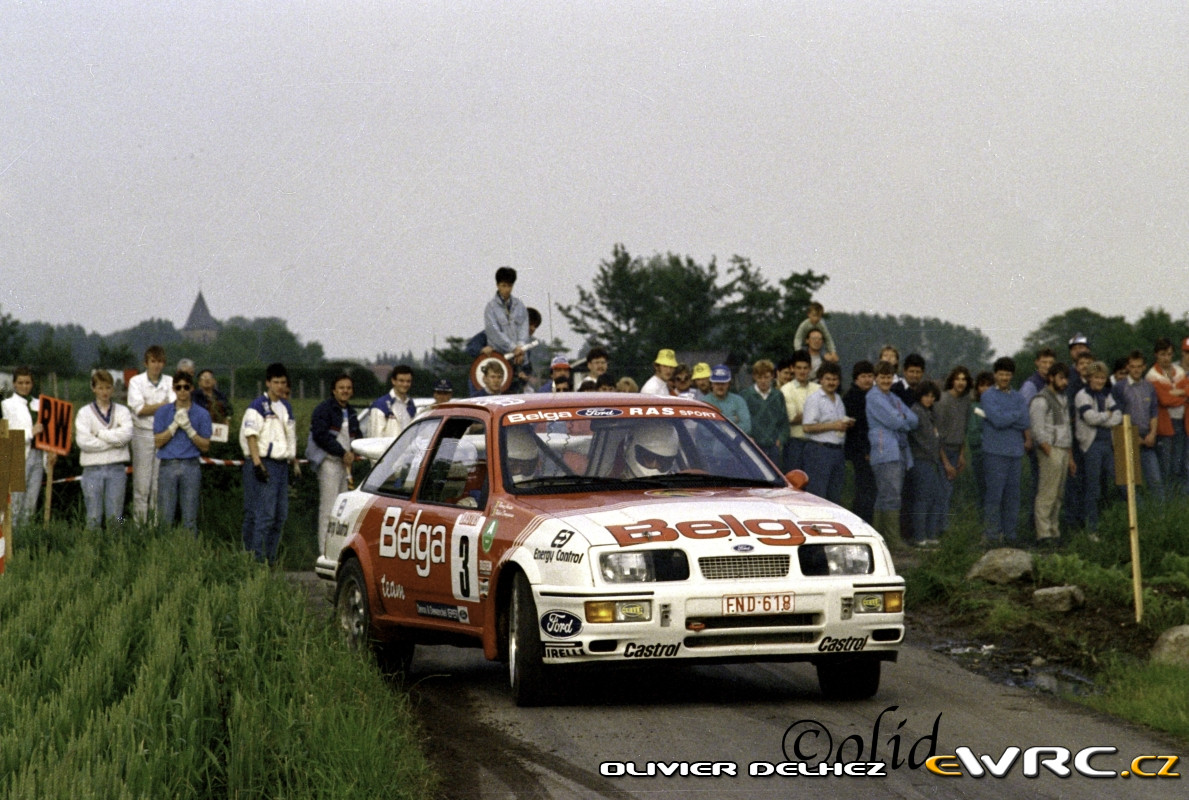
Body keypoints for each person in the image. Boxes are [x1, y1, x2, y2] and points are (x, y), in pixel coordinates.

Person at [240, 362, 297, 563]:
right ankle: (255, 559)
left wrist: (294, 463)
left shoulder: (286, 407)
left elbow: (290, 437)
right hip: (265, 462)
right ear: (268, 383)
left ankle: (270, 559)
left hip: (282, 465)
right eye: (276, 382)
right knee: (263, 515)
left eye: (283, 382)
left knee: (280, 515)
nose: (280, 386)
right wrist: (257, 464)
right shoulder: (257, 407)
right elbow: (251, 436)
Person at [980, 357, 1031, 544]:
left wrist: (1007, 417)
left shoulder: (1019, 397)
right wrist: (1014, 416)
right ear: (995, 375)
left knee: (1013, 497)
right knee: (994, 495)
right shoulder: (988, 396)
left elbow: (1025, 421)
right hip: (994, 452)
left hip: (1015, 453)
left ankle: (1010, 535)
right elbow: (997, 420)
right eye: (1001, 374)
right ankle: (992, 534)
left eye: (1008, 374)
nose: (1004, 377)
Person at [152, 370, 212, 533]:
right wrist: (173, 426)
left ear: (192, 388)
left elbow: (205, 446)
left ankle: (189, 554)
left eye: (186, 387)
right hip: (167, 465)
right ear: (173, 389)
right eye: (178, 387)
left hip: (191, 466)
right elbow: (158, 442)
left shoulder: (202, 414)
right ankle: (162, 555)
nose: (182, 391)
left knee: (190, 519)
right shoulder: (162, 412)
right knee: (165, 518)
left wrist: (189, 429)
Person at [866, 361, 918, 545]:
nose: (886, 380)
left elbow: (914, 419)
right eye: (882, 377)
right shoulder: (873, 397)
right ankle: (893, 539)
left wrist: (901, 418)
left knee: (886, 495)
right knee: (891, 495)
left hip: (899, 452)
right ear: (875, 378)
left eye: (889, 377)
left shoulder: (893, 397)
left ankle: (880, 538)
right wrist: (901, 419)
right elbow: (897, 422)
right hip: (884, 451)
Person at [74, 369, 134, 529]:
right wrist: (115, 441)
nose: (104, 392)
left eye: (108, 387)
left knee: (117, 516)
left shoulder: (123, 411)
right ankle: (91, 552)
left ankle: (117, 549)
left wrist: (100, 434)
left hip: (117, 470)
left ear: (113, 389)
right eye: (100, 388)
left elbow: (127, 435)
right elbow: (84, 442)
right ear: (93, 388)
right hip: (92, 470)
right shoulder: (84, 413)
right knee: (93, 516)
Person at [311, 374, 362, 552]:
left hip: (346, 465)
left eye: (348, 388)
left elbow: (357, 436)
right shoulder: (324, 410)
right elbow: (320, 435)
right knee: (328, 510)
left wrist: (354, 452)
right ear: (334, 390)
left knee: (343, 511)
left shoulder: (352, 412)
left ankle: (338, 551)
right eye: (341, 388)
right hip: (329, 463)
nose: (345, 391)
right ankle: (323, 552)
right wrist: (341, 452)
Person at [126, 345, 175, 524]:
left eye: (160, 361)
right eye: (153, 361)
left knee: (158, 484)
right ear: (146, 363)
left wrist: (154, 408)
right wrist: (162, 405)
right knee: (141, 484)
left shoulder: (170, 381)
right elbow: (139, 409)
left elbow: (174, 408)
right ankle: (139, 527)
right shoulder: (136, 382)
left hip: (163, 434)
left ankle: (155, 527)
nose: (157, 365)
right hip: (142, 434)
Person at [1, 367, 53, 525]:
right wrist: (31, 432)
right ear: (14, 384)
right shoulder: (6, 405)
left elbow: (49, 431)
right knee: (15, 504)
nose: (24, 386)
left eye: (28, 383)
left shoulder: (40, 404)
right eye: (21, 383)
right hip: (18, 455)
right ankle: (11, 545)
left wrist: (51, 452)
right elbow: (7, 433)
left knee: (31, 503)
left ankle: (26, 543)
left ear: (32, 384)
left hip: (38, 455)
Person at [1030, 363, 1075, 545]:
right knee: (1047, 492)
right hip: (1050, 449)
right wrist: (1045, 446)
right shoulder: (1041, 400)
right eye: (1061, 378)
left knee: (1058, 493)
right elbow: (1037, 428)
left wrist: (1070, 455)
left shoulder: (1063, 399)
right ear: (1051, 378)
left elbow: (1066, 427)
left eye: (1066, 378)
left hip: (1063, 448)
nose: (1064, 382)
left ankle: (1054, 531)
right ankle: (1043, 533)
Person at [1074, 361, 1122, 533]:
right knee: (1092, 486)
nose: (1100, 381)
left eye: (1102, 378)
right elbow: (1090, 418)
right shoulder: (1082, 395)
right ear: (1089, 378)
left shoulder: (1106, 394)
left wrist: (1104, 417)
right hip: (1091, 445)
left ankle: (1118, 521)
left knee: (1118, 479)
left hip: (1107, 444)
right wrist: (1106, 416)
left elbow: (1118, 416)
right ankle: (1091, 529)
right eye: (1096, 378)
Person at [1112, 349, 1161, 497]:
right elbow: (1117, 416)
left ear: (1144, 367)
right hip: (1127, 437)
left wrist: (1152, 433)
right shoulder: (1119, 387)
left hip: (1147, 437)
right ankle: (1135, 516)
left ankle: (1160, 516)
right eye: (1133, 366)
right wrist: (1131, 437)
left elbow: (1154, 412)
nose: (1136, 370)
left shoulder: (1149, 387)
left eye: (1139, 366)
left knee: (1155, 480)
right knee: (1128, 483)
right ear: (1128, 367)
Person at [802, 361, 852, 503]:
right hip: (819, 451)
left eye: (834, 379)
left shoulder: (838, 399)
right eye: (828, 379)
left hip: (837, 452)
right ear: (821, 379)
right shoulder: (815, 399)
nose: (831, 382)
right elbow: (807, 427)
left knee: (834, 496)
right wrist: (833, 426)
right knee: (818, 496)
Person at [1147, 337, 1189, 491]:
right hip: (1165, 424)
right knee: (1166, 465)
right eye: (1163, 354)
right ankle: (1166, 503)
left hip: (1182, 422)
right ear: (1156, 355)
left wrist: (1180, 392)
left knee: (1179, 464)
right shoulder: (1152, 376)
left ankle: (1179, 501)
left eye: (1170, 354)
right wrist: (1184, 398)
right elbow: (1164, 400)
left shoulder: (1178, 371)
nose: (1166, 358)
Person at [934, 366, 973, 532]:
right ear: (952, 380)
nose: (961, 382)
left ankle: (944, 527)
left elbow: (963, 429)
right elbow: (937, 435)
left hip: (957, 449)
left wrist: (962, 455)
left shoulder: (966, 401)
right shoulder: (943, 401)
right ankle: (938, 529)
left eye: (964, 379)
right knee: (941, 492)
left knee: (948, 492)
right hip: (942, 450)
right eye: (958, 379)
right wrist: (946, 462)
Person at [907, 381, 945, 545]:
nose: (929, 399)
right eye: (926, 396)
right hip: (921, 459)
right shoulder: (916, 411)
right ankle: (919, 536)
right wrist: (933, 451)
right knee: (922, 498)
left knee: (934, 498)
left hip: (931, 461)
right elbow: (924, 439)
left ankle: (931, 535)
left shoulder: (931, 413)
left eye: (932, 396)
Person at [484, 266, 531, 381]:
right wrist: (512, 347)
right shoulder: (490, 308)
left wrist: (520, 347)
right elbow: (494, 332)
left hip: (519, 359)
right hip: (499, 359)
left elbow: (524, 328)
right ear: (497, 285)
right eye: (503, 285)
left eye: (509, 286)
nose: (507, 289)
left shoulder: (519, 305)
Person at [843, 361, 876, 523]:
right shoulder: (852, 397)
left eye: (870, 376)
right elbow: (857, 430)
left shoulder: (873, 395)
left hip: (873, 450)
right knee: (863, 492)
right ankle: (860, 524)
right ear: (856, 379)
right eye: (863, 376)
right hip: (860, 453)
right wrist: (865, 451)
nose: (867, 380)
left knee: (871, 491)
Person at [741, 359, 787, 466]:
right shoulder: (745, 395)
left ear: (772, 377)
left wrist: (780, 440)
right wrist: (748, 437)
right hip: (753, 445)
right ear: (754, 377)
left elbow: (784, 421)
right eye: (759, 377)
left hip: (773, 446)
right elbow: (742, 420)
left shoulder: (778, 395)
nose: (763, 381)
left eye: (766, 377)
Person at [780, 350, 819, 471]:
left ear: (810, 368)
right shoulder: (785, 390)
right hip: (794, 444)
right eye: (799, 368)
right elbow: (792, 418)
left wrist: (803, 414)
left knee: (814, 484)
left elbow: (826, 415)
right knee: (794, 483)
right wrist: (815, 414)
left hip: (815, 443)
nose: (802, 371)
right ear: (792, 368)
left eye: (805, 368)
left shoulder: (818, 389)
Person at [367, 365, 415, 438]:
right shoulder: (380, 405)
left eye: (408, 381)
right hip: (388, 449)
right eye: (401, 381)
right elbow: (376, 440)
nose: (405, 384)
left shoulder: (411, 404)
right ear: (393, 381)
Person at [702, 365, 751, 434]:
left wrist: (717, 423)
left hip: (733, 444)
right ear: (711, 384)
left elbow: (746, 427)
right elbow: (704, 430)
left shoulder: (739, 401)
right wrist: (732, 419)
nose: (720, 386)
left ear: (728, 383)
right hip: (710, 443)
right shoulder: (704, 402)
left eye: (723, 383)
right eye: (717, 383)